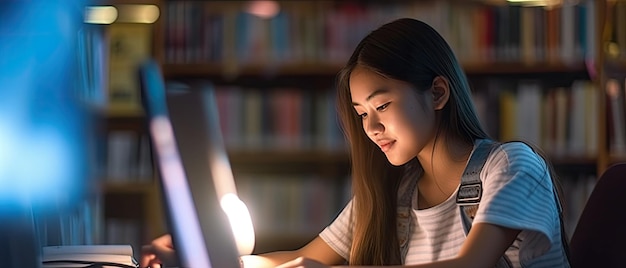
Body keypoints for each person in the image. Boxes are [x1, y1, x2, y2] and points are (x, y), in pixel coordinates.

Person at [141, 18, 571, 268]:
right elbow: (303, 258)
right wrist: (200, 255)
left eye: (382, 105)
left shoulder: (510, 166)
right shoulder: (395, 191)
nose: (371, 128)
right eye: (362, 114)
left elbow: (469, 267)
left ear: (438, 93)